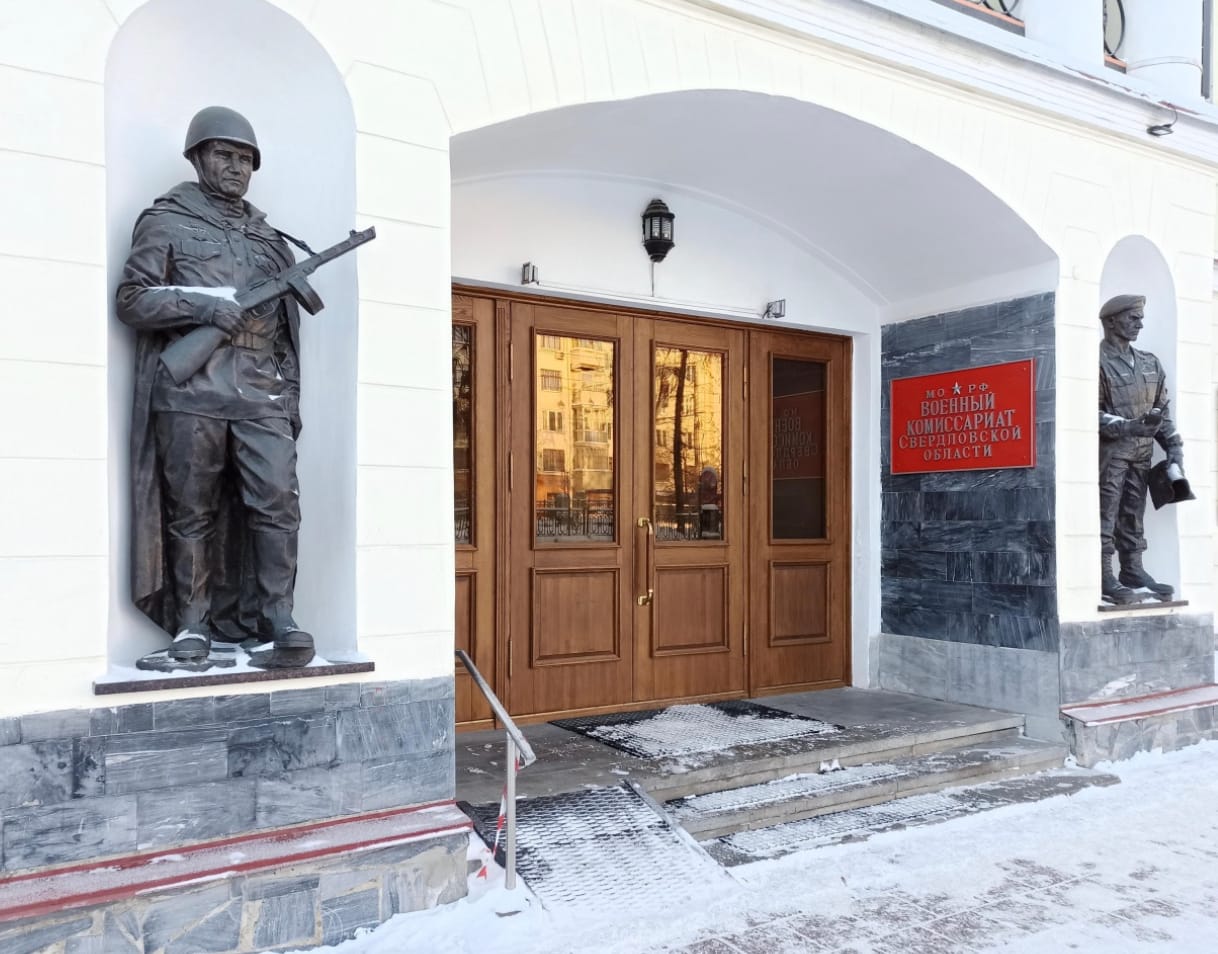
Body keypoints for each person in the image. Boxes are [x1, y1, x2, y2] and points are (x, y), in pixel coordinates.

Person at [117, 106, 313, 666]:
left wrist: (290, 394)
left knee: (279, 503)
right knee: (191, 511)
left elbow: (286, 333)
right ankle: (192, 626)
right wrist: (206, 304)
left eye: (246, 159)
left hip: (260, 391)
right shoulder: (166, 221)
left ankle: (279, 619)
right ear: (199, 157)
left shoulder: (270, 238)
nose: (237, 168)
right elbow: (132, 300)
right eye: (225, 155)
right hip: (191, 388)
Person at [1097, 294, 1184, 604]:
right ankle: (1103, 574)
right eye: (1132, 318)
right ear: (1110, 321)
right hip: (1111, 454)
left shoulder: (1149, 362)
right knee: (1106, 511)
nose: (1140, 323)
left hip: (1142, 453)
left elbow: (1162, 410)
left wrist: (1173, 447)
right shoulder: (1096, 361)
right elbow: (1087, 413)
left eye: (1140, 317)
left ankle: (1132, 569)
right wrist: (1127, 426)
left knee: (1134, 512)